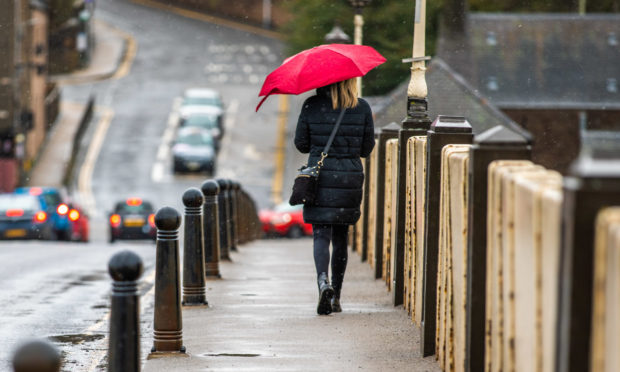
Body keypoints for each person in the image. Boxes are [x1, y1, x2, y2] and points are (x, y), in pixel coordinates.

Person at [294, 78, 375, 315]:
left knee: (321, 234)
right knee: (341, 237)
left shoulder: (311, 105)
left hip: (320, 179)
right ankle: (336, 297)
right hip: (349, 179)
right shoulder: (361, 107)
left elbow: (301, 144)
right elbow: (366, 149)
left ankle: (322, 281)